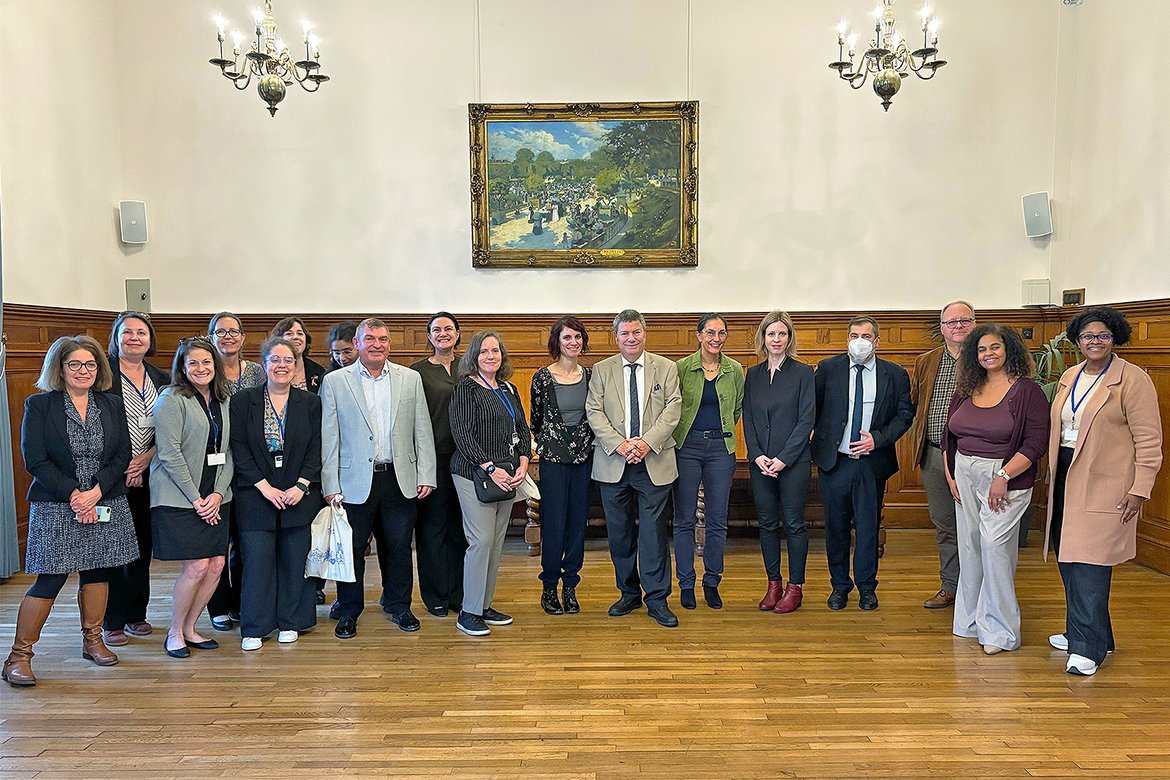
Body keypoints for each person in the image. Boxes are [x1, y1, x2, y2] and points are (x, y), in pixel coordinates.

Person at [4, 337, 137, 687]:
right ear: (60, 369)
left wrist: (95, 492)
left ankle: (93, 641)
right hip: (56, 503)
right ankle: (18, 656)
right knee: (50, 578)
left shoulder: (111, 404)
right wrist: (75, 495)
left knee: (97, 572)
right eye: (75, 364)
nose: (83, 371)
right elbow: (35, 460)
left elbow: (122, 455)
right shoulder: (40, 406)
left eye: (90, 365)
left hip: (104, 498)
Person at [1043, 308, 1162, 675]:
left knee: (1091, 562)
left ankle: (1087, 648)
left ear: (1115, 338)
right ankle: (1093, 633)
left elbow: (1149, 440)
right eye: (1087, 336)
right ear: (1077, 341)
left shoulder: (1134, 379)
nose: (1095, 341)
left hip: (1107, 483)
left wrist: (1140, 489)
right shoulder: (1070, 375)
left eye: (1103, 335)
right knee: (1068, 554)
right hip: (1066, 472)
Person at [320, 318, 436, 639]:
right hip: (353, 482)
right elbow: (329, 438)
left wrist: (425, 473)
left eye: (383, 339)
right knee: (353, 548)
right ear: (357, 344)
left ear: (389, 343)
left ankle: (399, 605)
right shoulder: (335, 382)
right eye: (369, 338)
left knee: (398, 546)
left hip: (399, 478)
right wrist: (330, 485)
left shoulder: (409, 378)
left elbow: (421, 430)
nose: (377, 344)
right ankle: (349, 610)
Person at [943, 323, 1049, 655]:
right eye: (982, 349)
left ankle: (1001, 632)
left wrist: (1002, 476)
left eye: (995, 347)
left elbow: (1035, 444)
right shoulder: (967, 387)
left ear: (1009, 350)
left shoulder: (1027, 391)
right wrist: (950, 476)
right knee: (970, 547)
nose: (988, 354)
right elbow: (950, 435)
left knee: (994, 548)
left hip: (1005, 478)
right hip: (963, 472)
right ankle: (969, 622)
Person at [585, 310, 683, 628]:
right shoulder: (601, 370)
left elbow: (673, 408)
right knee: (620, 533)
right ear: (616, 337)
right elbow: (594, 410)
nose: (631, 338)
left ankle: (657, 599)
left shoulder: (666, 368)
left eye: (636, 332)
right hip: (615, 461)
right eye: (624, 334)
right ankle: (628, 593)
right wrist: (622, 444)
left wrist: (645, 443)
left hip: (653, 460)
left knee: (653, 533)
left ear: (645, 333)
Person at [812, 315, 914, 611]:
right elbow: (813, 408)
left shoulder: (894, 374)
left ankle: (867, 588)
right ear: (847, 339)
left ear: (876, 341)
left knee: (868, 529)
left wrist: (878, 439)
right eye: (854, 335)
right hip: (836, 462)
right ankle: (839, 586)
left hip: (872, 463)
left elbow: (904, 415)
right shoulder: (828, 369)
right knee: (836, 527)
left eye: (866, 336)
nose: (859, 341)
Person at [229, 338, 322, 651]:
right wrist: (264, 486)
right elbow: (238, 448)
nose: (282, 365)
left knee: (295, 559)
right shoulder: (243, 401)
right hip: (256, 494)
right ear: (264, 364)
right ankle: (255, 625)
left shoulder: (310, 403)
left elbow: (317, 447)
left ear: (296, 366)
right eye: (275, 359)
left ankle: (291, 621)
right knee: (257, 560)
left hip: (300, 493)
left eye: (288, 360)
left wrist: (301, 485)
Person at [151, 336, 235, 659]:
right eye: (193, 363)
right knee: (197, 566)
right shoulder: (171, 399)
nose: (201, 368)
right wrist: (197, 498)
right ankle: (174, 631)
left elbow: (229, 452)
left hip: (216, 497)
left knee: (215, 565)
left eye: (206, 362)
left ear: (216, 366)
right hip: (180, 498)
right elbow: (169, 454)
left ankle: (190, 628)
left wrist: (216, 494)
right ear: (182, 368)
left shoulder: (224, 399)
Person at [449, 330, 532, 636]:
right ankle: (468, 612)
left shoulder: (508, 389)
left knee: (496, 543)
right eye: (484, 352)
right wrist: (489, 467)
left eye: (495, 351)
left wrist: (523, 462)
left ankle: (484, 605)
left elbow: (522, 428)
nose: (490, 356)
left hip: (508, 475)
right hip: (474, 474)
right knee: (481, 541)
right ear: (473, 356)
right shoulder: (467, 389)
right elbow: (462, 434)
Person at [101, 312, 170, 647]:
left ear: (150, 339)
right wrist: (126, 465)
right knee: (113, 547)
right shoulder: (102, 375)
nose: (134, 337)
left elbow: (171, 426)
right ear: (115, 338)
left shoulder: (161, 377)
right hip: (112, 475)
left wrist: (147, 458)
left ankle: (135, 614)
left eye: (141, 332)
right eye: (126, 332)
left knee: (143, 546)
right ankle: (111, 620)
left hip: (151, 471)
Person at [743, 310, 815, 614]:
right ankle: (773, 584)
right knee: (767, 524)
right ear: (763, 338)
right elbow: (747, 417)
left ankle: (794, 587)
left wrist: (783, 459)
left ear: (789, 338)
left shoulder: (803, 372)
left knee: (794, 524)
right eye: (771, 334)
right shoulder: (754, 374)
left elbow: (806, 419)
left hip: (793, 463)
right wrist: (757, 454)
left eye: (782, 334)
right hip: (760, 464)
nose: (776, 339)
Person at [671, 313, 743, 610]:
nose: (716, 339)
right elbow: (672, 407)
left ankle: (712, 582)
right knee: (683, 519)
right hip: (686, 446)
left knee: (717, 519)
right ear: (699, 335)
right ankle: (686, 584)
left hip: (721, 447)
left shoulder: (734, 369)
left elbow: (736, 407)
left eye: (722, 333)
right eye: (710, 333)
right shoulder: (681, 368)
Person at [909, 301, 976, 610]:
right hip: (934, 456)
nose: (958, 326)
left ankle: (979, 589)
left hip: (975, 457)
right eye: (951, 322)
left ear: (975, 323)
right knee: (945, 524)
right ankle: (951, 586)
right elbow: (915, 404)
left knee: (977, 525)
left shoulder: (986, 357)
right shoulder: (926, 361)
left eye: (964, 320)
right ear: (942, 328)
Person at [206, 312, 266, 629]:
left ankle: (243, 602)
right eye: (220, 331)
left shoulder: (257, 371)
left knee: (245, 542)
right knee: (217, 543)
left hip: (250, 465)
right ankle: (218, 606)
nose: (227, 336)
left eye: (234, 331)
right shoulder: (204, 369)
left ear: (243, 337)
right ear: (211, 336)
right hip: (213, 465)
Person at [530, 316, 594, 615]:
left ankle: (570, 586)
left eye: (578, 337)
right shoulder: (542, 378)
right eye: (567, 337)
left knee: (577, 525)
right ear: (557, 341)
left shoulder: (592, 376)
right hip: (553, 460)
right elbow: (536, 420)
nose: (574, 342)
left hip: (584, 459)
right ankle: (549, 587)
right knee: (553, 524)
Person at [410, 312, 467, 617]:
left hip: (469, 460)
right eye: (436, 330)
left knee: (460, 529)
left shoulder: (470, 367)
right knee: (432, 529)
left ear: (458, 334)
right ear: (429, 337)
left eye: (448, 329)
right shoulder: (416, 372)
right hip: (431, 459)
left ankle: (458, 594)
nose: (443, 333)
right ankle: (435, 596)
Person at [271, 316, 326, 394]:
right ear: (278, 339)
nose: (296, 337)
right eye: (289, 333)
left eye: (300, 333)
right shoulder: (271, 369)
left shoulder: (318, 371)